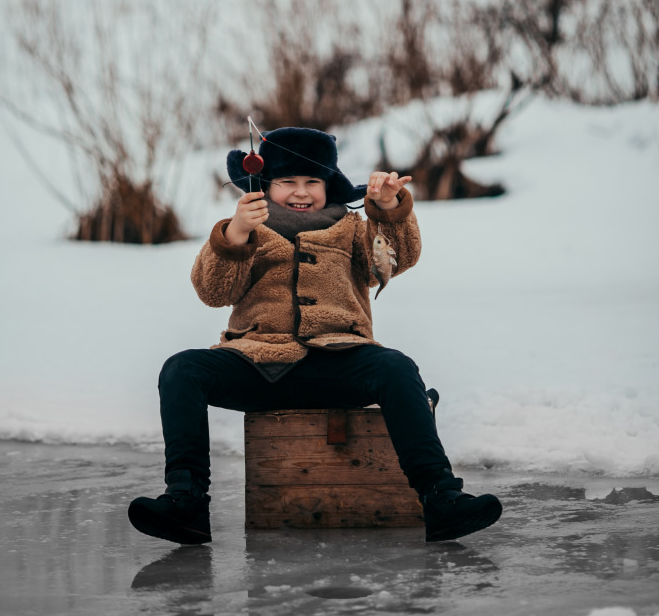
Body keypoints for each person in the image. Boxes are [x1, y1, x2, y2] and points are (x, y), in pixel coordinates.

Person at [128, 127, 502, 545]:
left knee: (396, 367)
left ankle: (441, 498)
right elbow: (213, 292)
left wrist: (388, 206)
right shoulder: (246, 226)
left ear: (329, 185)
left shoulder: (353, 228)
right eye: (287, 182)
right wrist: (233, 236)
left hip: (337, 360)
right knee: (182, 368)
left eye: (312, 182)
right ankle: (187, 502)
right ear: (266, 185)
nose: (300, 192)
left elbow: (395, 260)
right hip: (258, 363)